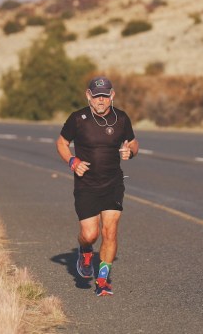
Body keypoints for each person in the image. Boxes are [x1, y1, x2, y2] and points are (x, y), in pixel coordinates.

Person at [56, 76, 139, 296]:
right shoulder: (78, 119)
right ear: (88, 96)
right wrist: (73, 161)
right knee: (90, 235)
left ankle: (102, 280)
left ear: (112, 95)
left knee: (109, 232)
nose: (100, 101)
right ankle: (85, 251)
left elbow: (133, 142)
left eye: (104, 96)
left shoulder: (121, 119)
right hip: (86, 185)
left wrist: (130, 151)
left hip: (113, 183)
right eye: (96, 96)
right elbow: (62, 143)